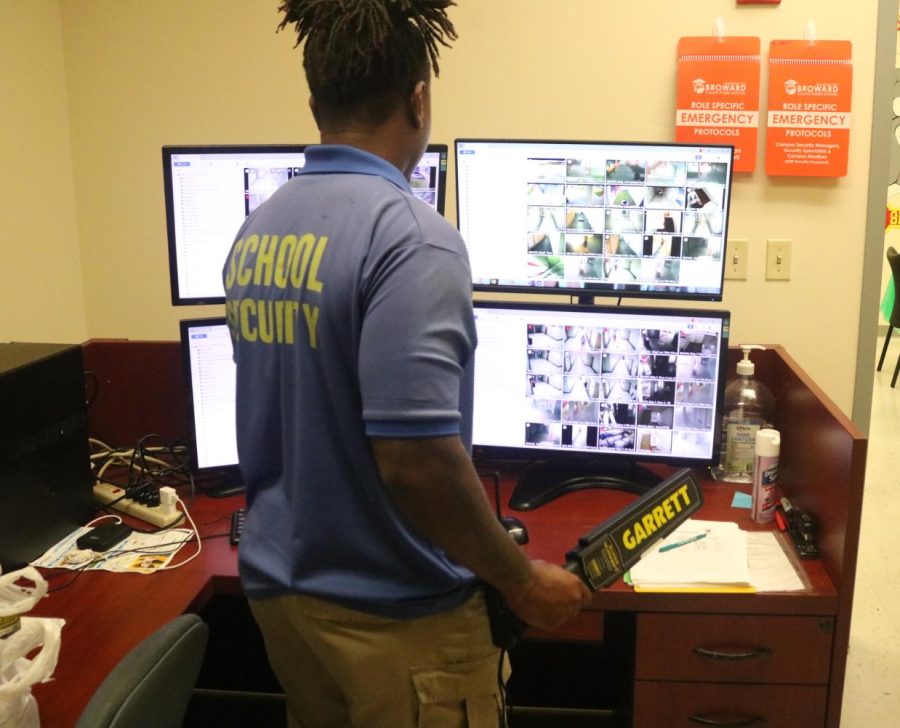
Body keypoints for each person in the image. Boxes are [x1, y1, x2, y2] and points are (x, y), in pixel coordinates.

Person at [221, 2, 591, 727]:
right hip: (394, 616)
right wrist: (520, 582)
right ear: (419, 99)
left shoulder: (258, 229)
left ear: (315, 101)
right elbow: (414, 462)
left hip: (286, 600)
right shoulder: (415, 239)